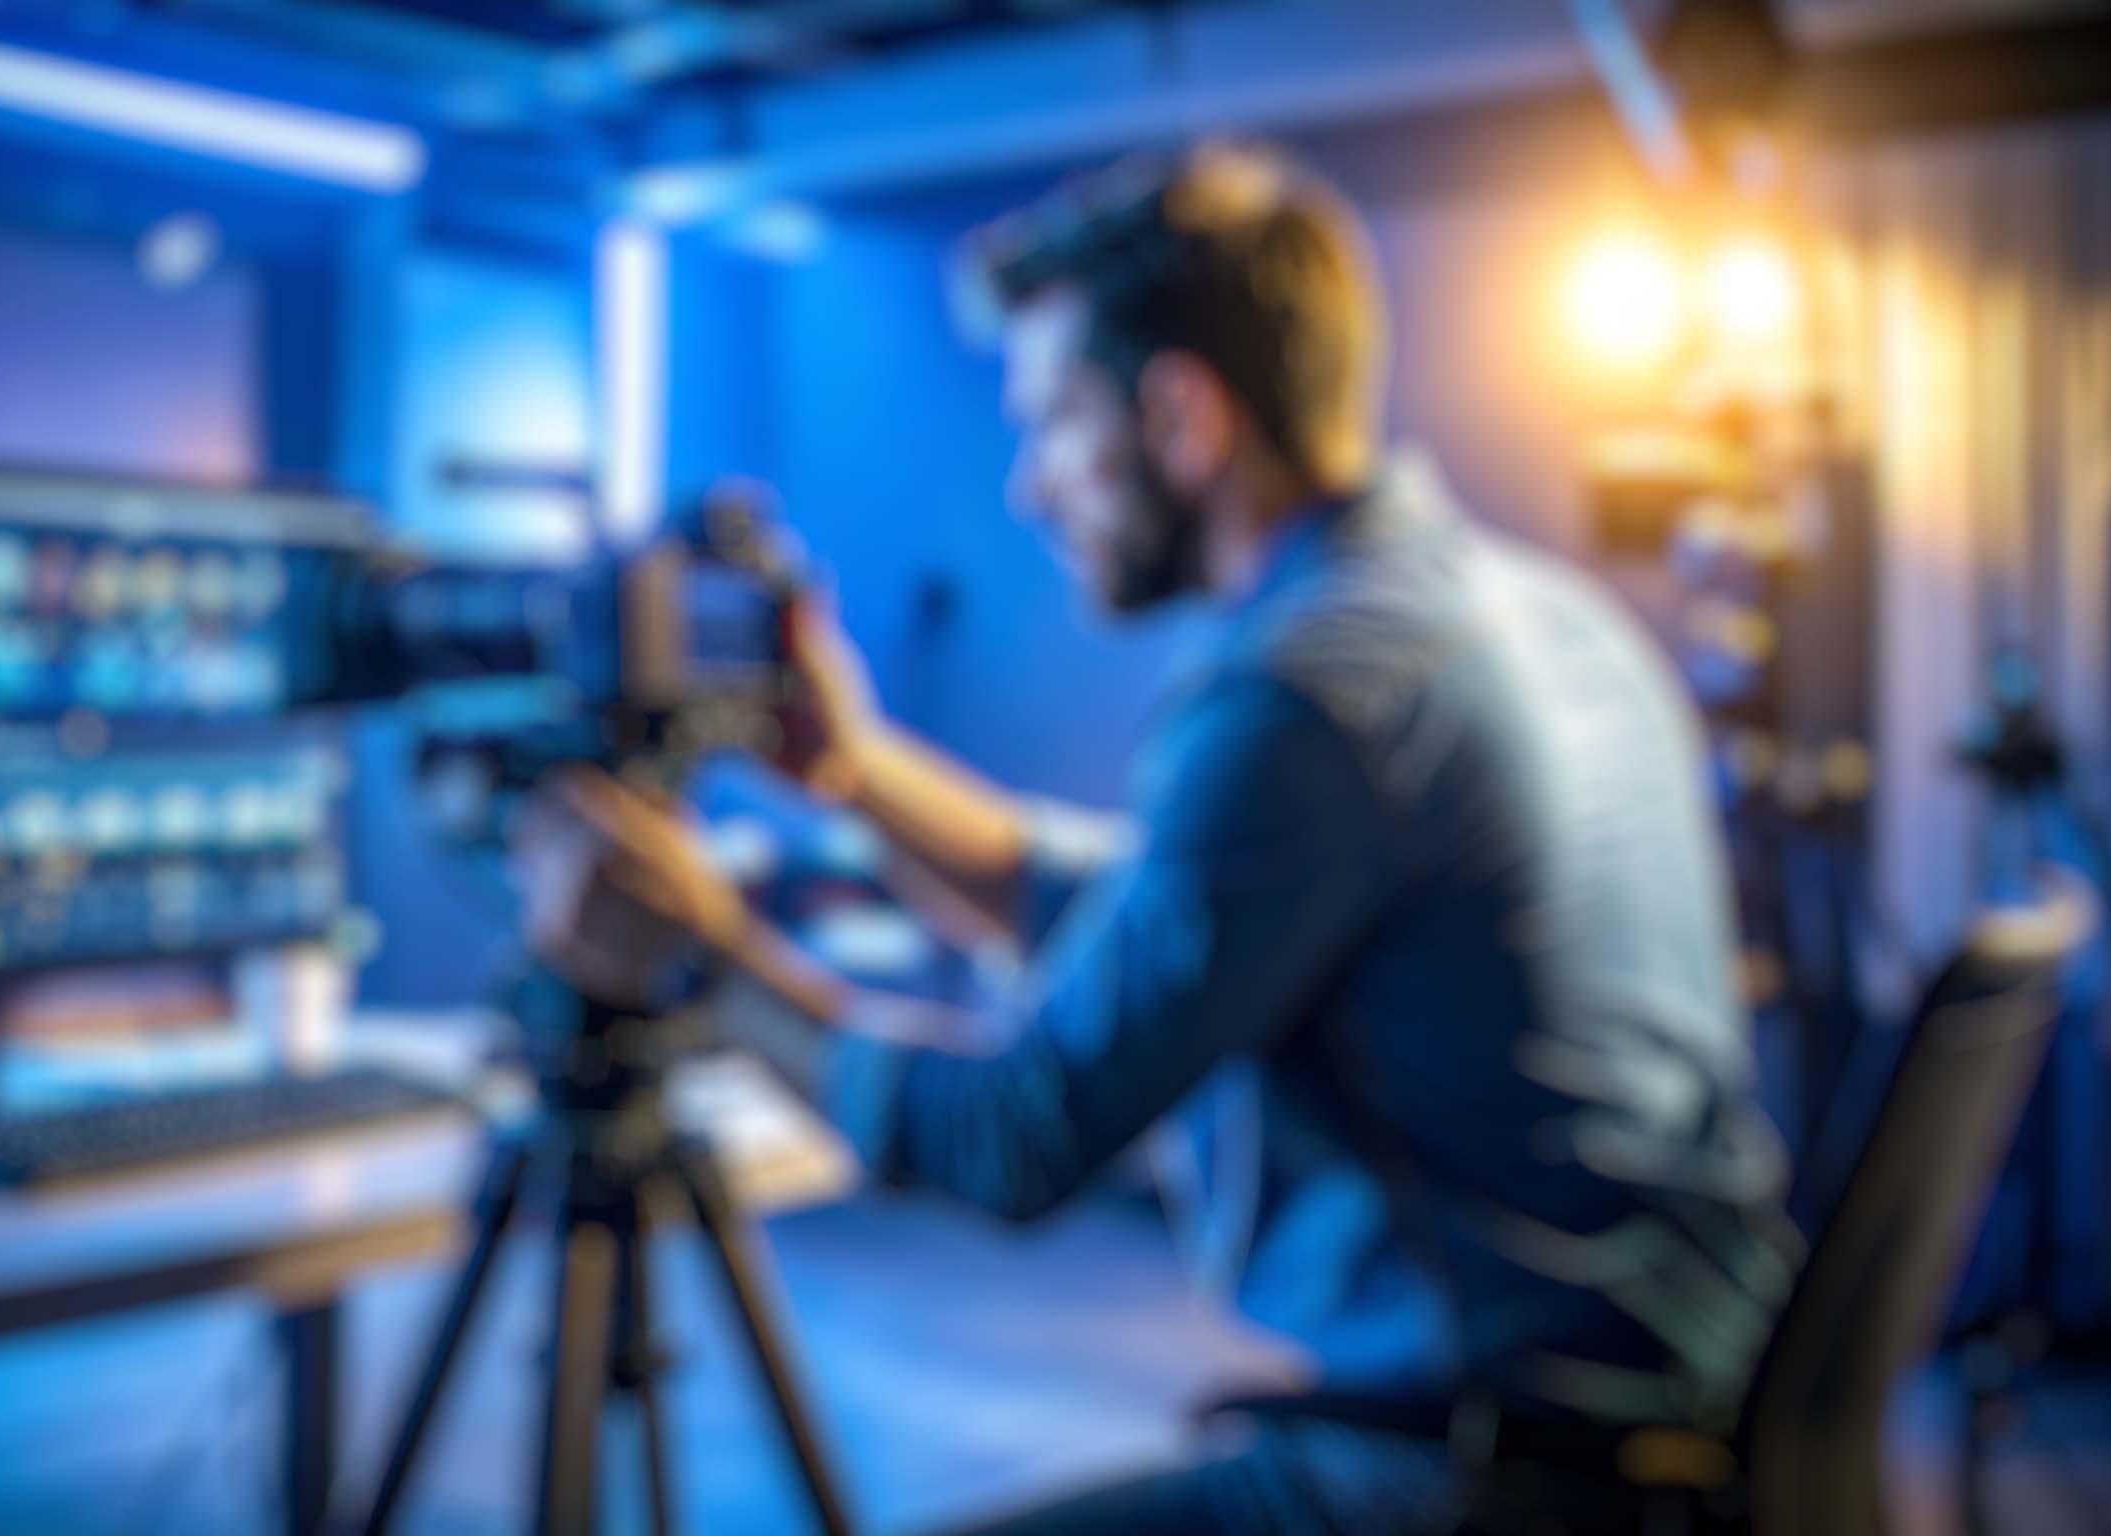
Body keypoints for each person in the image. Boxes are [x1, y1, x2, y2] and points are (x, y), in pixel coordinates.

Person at [507, 140, 1799, 1535]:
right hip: (1676, 1437)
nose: (1030, 486)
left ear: (1183, 420)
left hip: (1488, 1486)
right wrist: (857, 771)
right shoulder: (1546, 619)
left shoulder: (1308, 698)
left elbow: (1013, 1137)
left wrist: (701, 960)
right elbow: (1164, 930)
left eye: (1054, 424)